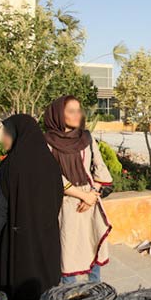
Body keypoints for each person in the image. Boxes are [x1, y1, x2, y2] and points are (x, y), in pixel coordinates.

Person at [0, 114, 63, 300]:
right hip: (47, 243)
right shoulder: (50, 163)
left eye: (6, 133)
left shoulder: (11, 166)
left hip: (17, 246)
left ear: (18, 135)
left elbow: (0, 210)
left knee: (13, 295)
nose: (2, 139)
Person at [44, 95, 113, 284]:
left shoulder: (86, 138)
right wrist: (82, 195)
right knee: (68, 251)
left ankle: (96, 295)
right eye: (71, 111)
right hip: (65, 203)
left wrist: (92, 195)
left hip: (90, 201)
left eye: (78, 110)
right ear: (59, 114)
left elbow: (100, 168)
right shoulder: (47, 142)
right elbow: (51, 176)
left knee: (93, 243)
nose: (77, 115)